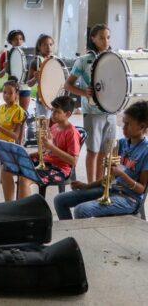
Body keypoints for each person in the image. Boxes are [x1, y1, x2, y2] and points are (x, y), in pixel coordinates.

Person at [54, 101, 148, 220]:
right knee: (60, 200)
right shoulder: (122, 144)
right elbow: (110, 178)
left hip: (129, 199)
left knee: (81, 210)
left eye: (128, 124)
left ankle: (81, 231)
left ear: (142, 126)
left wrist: (121, 174)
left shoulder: (145, 151)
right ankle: (72, 230)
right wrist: (87, 186)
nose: (123, 127)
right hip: (111, 189)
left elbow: (141, 189)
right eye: (124, 123)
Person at [2, 96, 81, 201]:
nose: (53, 114)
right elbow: (47, 151)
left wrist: (51, 147)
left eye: (57, 112)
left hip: (59, 169)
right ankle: (9, 203)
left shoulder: (72, 133)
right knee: (7, 166)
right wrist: (32, 154)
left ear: (67, 114)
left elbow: (73, 161)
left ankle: (23, 210)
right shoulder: (54, 127)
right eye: (52, 110)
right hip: (45, 162)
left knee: (25, 179)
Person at [65, 24, 115, 184]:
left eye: (108, 37)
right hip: (93, 112)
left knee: (105, 152)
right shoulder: (83, 60)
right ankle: (90, 186)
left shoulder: (114, 58)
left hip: (111, 112)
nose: (105, 41)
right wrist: (84, 93)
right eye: (101, 37)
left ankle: (98, 186)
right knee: (93, 151)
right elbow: (68, 85)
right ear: (93, 38)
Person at [26, 34, 55, 120]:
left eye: (50, 44)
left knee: (54, 125)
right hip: (42, 99)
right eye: (45, 45)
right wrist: (35, 78)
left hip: (55, 98)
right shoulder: (36, 62)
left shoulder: (55, 60)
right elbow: (29, 84)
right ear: (39, 47)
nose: (48, 47)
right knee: (43, 124)